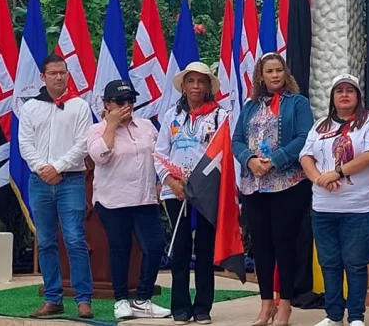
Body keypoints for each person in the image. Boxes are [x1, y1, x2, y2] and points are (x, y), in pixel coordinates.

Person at [232, 52, 314, 326]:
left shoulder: (298, 103)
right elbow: (237, 140)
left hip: (287, 184)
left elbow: (305, 137)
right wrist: (250, 160)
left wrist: (275, 161)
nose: (275, 75)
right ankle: (266, 305)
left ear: (285, 73)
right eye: (270, 71)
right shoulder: (250, 106)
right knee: (262, 247)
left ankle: (285, 306)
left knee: (284, 245)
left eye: (279, 70)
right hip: (254, 186)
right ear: (261, 76)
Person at [300, 73, 369, 326]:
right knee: (329, 263)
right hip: (324, 207)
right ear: (333, 97)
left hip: (359, 207)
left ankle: (356, 316)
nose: (345, 95)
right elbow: (306, 157)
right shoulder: (320, 125)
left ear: (358, 96)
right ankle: (334, 315)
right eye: (339, 91)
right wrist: (319, 179)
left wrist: (336, 173)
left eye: (350, 90)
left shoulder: (368, 122)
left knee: (356, 263)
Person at [86, 80, 170, 319]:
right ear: (107, 104)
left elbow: (159, 155)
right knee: (120, 249)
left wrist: (160, 181)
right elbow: (99, 156)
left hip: (144, 198)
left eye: (131, 101)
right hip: (113, 200)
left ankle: (143, 299)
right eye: (120, 102)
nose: (127, 106)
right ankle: (121, 299)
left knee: (154, 247)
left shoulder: (146, 126)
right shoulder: (96, 130)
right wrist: (110, 126)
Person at [19, 54, 94, 319]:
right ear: (43, 77)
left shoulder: (80, 106)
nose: (59, 77)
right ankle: (53, 298)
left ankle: (84, 299)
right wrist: (44, 169)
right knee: (46, 242)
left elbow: (83, 144)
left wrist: (58, 167)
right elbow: (25, 144)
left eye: (63, 72)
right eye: (53, 73)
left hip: (71, 180)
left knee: (75, 239)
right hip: (39, 181)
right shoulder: (29, 108)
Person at [154, 62, 227, 325]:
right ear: (183, 86)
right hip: (177, 192)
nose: (196, 87)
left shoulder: (220, 116)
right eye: (191, 81)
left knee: (205, 249)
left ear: (209, 87)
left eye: (201, 82)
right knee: (181, 248)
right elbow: (160, 153)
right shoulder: (171, 116)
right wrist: (170, 181)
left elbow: (224, 156)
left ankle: (203, 307)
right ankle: (180, 307)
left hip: (207, 192)